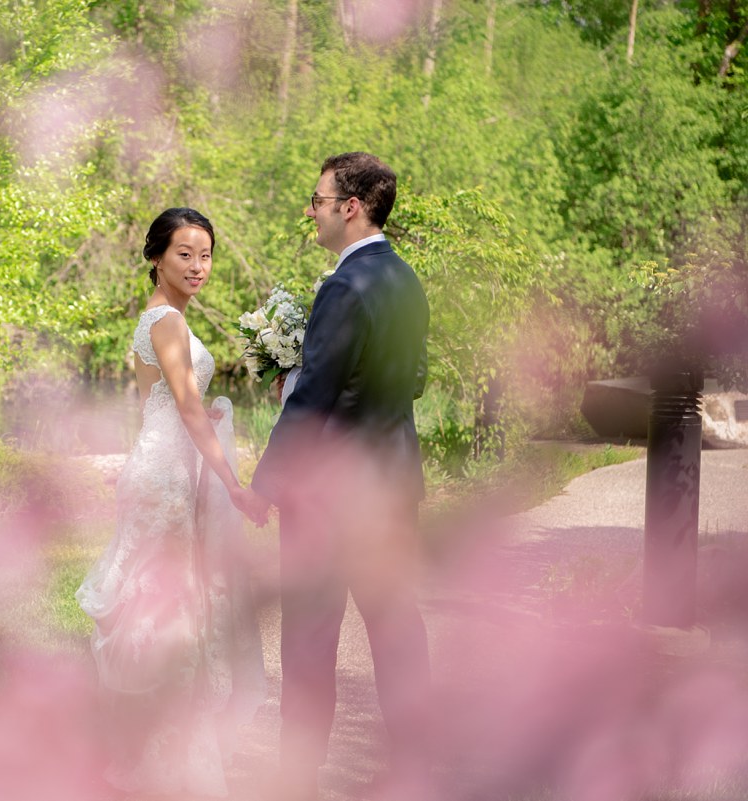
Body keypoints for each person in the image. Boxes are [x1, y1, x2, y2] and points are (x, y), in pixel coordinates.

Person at [252, 153, 433, 800]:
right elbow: (413, 379)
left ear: (349, 206)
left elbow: (314, 400)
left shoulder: (344, 286)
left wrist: (265, 481)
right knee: (396, 628)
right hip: (390, 486)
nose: (312, 208)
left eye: (318, 197)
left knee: (308, 637)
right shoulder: (405, 280)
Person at [76, 207, 269, 798]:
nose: (197, 265)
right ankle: (158, 756)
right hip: (163, 479)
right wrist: (235, 484)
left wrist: (206, 419)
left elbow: (174, 404)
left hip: (166, 468)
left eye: (205, 254)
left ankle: (158, 749)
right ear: (156, 258)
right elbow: (183, 408)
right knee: (165, 612)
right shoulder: (165, 321)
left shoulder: (168, 321)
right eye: (184, 253)